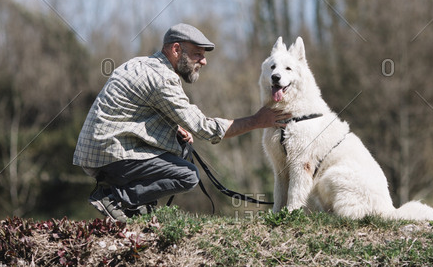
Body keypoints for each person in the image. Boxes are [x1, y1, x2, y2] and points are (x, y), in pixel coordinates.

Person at [73, 23, 288, 222]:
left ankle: (136, 209)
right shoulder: (162, 79)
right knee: (187, 175)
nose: (203, 61)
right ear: (176, 50)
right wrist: (257, 120)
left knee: (181, 147)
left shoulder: (140, 64)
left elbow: (131, 113)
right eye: (197, 54)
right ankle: (116, 198)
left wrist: (174, 128)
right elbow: (205, 129)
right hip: (110, 154)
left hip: (98, 151)